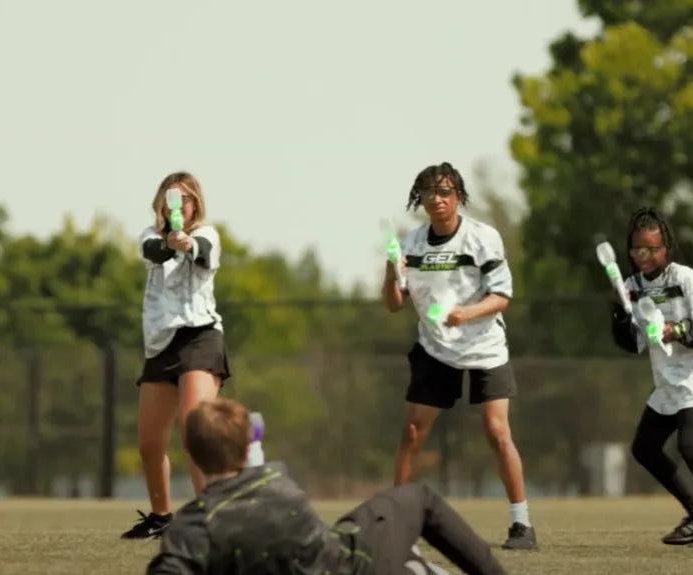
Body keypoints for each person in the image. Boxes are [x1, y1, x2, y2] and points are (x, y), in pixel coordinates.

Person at [146, 397, 507, 575]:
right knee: (420, 497)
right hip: (354, 565)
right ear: (247, 446)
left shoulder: (192, 528)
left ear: (189, 451)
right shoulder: (279, 479)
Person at [381, 162, 537, 550]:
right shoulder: (412, 244)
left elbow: (502, 297)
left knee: (497, 432)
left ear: (460, 198)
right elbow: (394, 305)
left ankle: (522, 525)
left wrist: (466, 313)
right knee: (413, 433)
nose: (437, 199)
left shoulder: (483, 238)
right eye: (429, 192)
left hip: (484, 345)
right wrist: (390, 269)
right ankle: (399, 523)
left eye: (445, 192)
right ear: (420, 199)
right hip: (435, 347)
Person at [609, 206, 693, 548]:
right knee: (645, 448)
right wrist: (619, 313)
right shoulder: (632, 287)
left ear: (665, 247)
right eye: (638, 249)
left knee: (690, 445)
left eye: (653, 249)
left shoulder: (686, 279)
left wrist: (676, 329)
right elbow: (632, 342)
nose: (645, 256)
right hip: (668, 379)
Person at [121, 172, 230, 540]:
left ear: (195, 203)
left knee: (193, 428)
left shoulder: (208, 233)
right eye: (170, 199)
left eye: (184, 199)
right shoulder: (149, 237)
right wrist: (171, 243)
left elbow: (204, 252)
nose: (177, 205)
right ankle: (161, 517)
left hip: (200, 337)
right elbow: (156, 251)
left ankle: (208, 519)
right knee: (150, 444)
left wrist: (187, 244)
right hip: (160, 343)